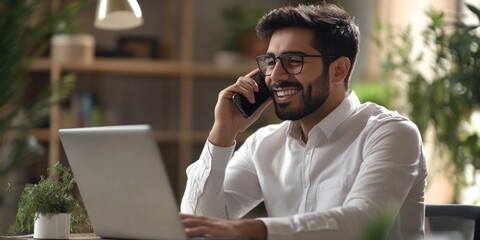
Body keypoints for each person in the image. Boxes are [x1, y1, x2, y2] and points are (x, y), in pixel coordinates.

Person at [180, 3, 427, 240]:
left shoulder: (391, 133)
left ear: (338, 70)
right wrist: (223, 131)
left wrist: (252, 230)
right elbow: (198, 224)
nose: (274, 76)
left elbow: (362, 225)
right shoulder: (264, 144)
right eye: (271, 62)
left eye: (293, 61)